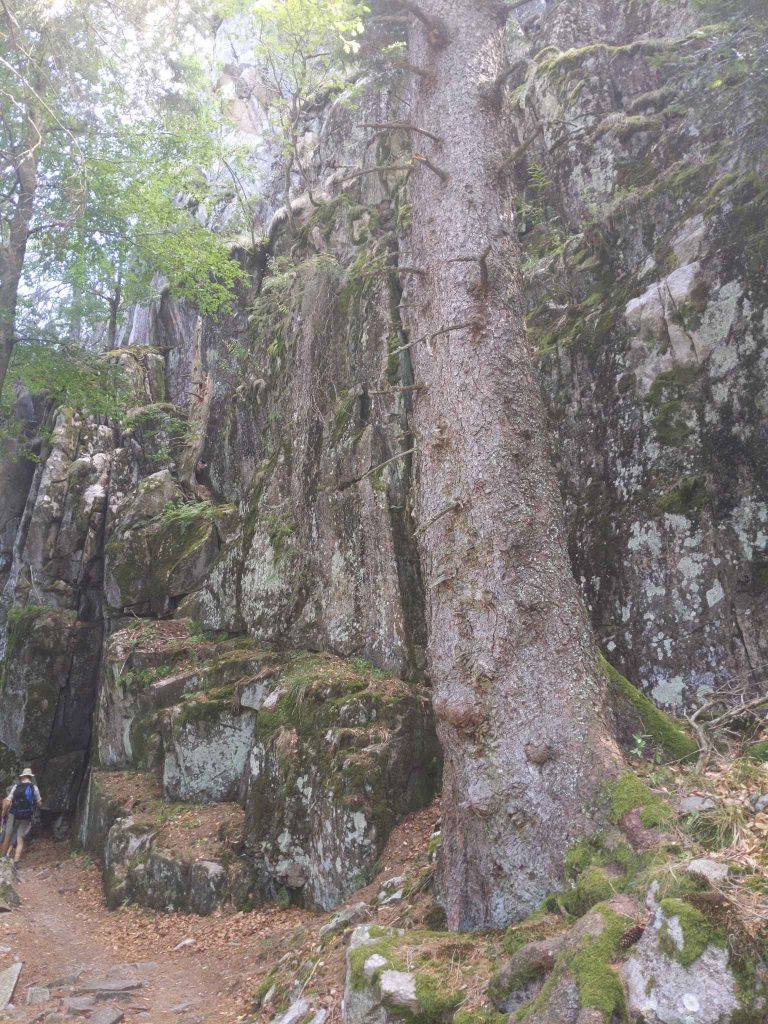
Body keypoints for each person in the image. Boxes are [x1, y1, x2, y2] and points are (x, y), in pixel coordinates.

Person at [1, 769, 42, 863]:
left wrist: (4, 813)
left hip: (14, 814)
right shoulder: (34, 788)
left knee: (8, 834)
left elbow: (7, 802)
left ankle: (2, 857)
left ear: (22, 777)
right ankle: (16, 860)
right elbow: (39, 803)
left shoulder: (16, 786)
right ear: (30, 777)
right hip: (26, 815)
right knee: (20, 837)